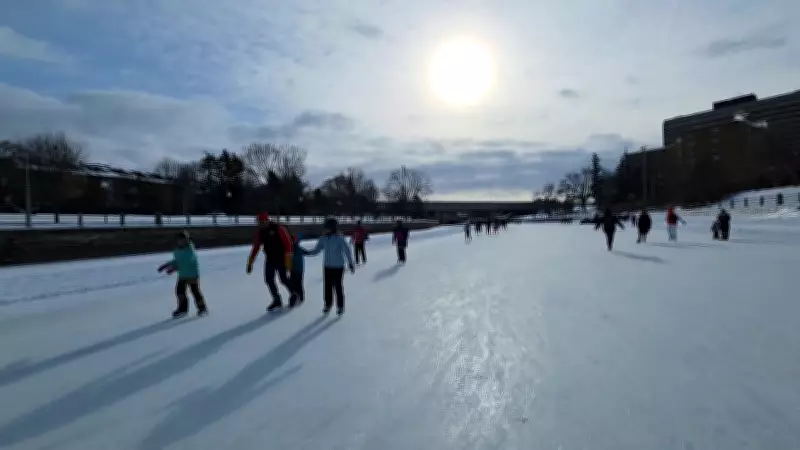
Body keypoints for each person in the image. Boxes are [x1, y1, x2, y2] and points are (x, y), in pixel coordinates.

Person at [304, 217, 355, 315]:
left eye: (327, 227)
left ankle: (340, 306)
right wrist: (307, 252)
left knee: (338, 286)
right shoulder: (323, 238)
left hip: (338, 266)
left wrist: (351, 263)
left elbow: (347, 251)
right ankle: (328, 305)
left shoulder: (340, 238)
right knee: (327, 287)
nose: (325, 229)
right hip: (327, 266)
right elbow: (317, 249)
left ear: (332, 227)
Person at [246, 212, 296, 311]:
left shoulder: (279, 229)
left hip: (281, 258)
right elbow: (255, 248)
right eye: (258, 223)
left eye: (261, 222)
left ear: (266, 221)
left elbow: (288, 244)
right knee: (269, 279)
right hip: (270, 259)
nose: (260, 225)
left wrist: (288, 262)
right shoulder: (260, 233)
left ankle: (293, 294)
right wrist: (250, 263)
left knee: (283, 279)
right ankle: (276, 299)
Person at [158, 231, 208, 318]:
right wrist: (166, 265)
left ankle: (202, 308)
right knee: (180, 292)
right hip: (182, 275)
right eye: (180, 240)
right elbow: (177, 260)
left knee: (195, 291)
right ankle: (182, 309)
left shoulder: (190, 250)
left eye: (184, 240)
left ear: (187, 240)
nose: (182, 242)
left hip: (192, 275)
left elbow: (186, 262)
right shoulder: (177, 250)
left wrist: (174, 268)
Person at [289, 232, 309, 304]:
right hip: (293, 269)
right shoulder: (290, 248)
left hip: (298, 270)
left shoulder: (297, 248)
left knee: (298, 283)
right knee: (293, 283)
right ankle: (297, 295)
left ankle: (300, 296)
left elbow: (307, 252)